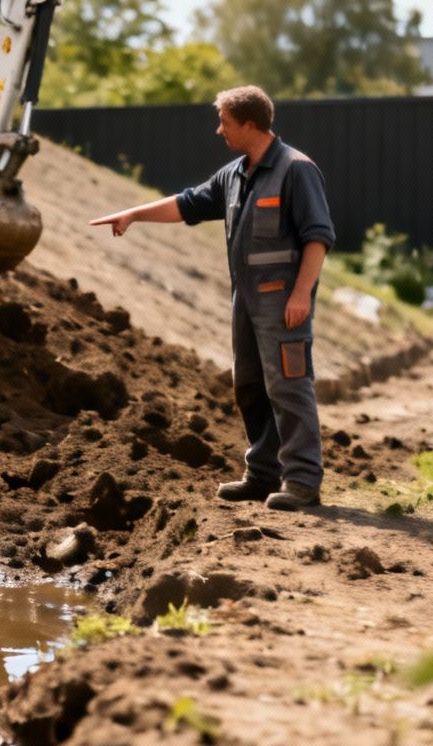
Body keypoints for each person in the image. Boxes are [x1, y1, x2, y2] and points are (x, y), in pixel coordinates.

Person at [89, 86, 335, 510]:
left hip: (282, 302)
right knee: (251, 388)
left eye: (224, 121)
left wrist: (301, 294)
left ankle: (302, 481)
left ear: (249, 124)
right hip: (246, 301)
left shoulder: (296, 169)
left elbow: (319, 237)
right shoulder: (233, 175)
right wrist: (134, 214)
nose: (218, 130)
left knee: (290, 388)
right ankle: (262, 475)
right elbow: (188, 205)